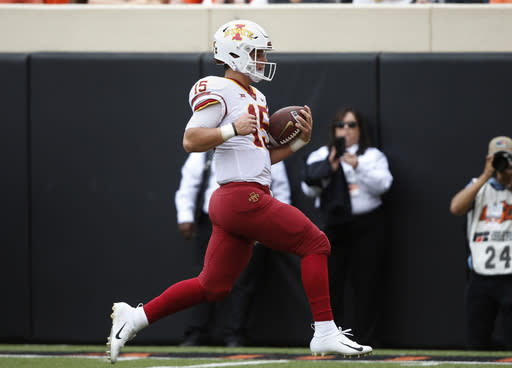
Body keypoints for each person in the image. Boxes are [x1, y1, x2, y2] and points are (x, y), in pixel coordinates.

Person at [106, 19, 372, 364]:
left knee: (212, 286)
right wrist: (231, 128)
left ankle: (135, 317)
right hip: (241, 198)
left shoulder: (256, 95)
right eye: (257, 53)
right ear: (237, 53)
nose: (262, 60)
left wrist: (299, 144)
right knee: (316, 243)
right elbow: (190, 139)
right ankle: (324, 331)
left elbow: (261, 156)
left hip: (240, 198)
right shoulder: (220, 87)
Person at [175, 151, 291, 346]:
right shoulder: (210, 146)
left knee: (244, 279)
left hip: (251, 221)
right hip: (213, 220)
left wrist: (277, 222)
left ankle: (235, 334)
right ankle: (196, 332)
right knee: (204, 277)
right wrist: (185, 215)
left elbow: (281, 189)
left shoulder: (264, 150)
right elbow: (189, 183)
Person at [301, 107, 393, 347]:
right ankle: (334, 340)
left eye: (351, 125)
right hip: (332, 226)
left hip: (367, 225)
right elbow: (308, 188)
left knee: (367, 285)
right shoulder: (321, 155)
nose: (346, 130)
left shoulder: (371, 156)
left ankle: (370, 340)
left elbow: (383, 185)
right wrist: (328, 169)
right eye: (341, 125)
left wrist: (356, 165)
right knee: (332, 285)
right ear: (334, 129)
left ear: (360, 129)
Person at [450, 136, 512, 350]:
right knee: (476, 343)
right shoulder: (479, 187)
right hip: (480, 275)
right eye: (497, 158)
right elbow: (456, 207)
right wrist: (486, 175)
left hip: (510, 275)